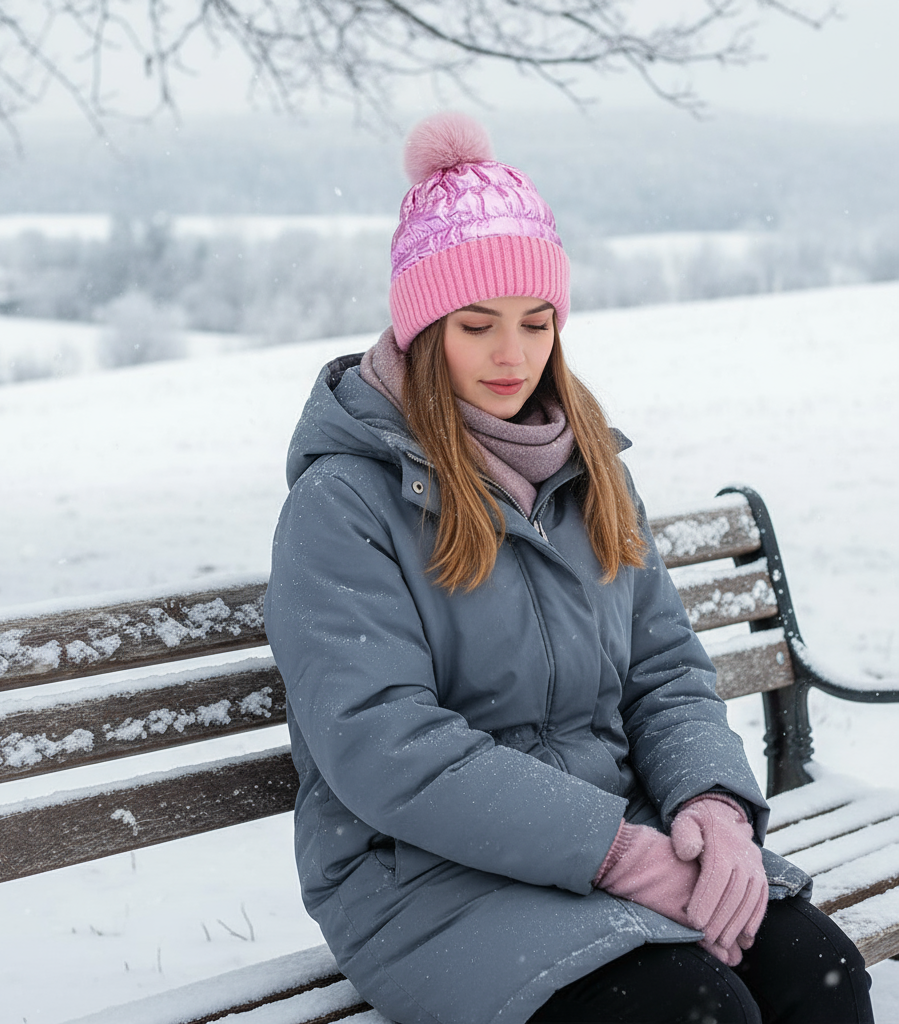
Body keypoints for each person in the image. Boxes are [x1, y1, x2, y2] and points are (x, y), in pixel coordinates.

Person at [263, 112, 873, 1024]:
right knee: (685, 1011)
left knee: (815, 970)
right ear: (424, 329)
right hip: (420, 876)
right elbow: (384, 743)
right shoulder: (345, 504)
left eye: (536, 322)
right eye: (478, 325)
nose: (513, 355)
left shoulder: (592, 472)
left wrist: (713, 807)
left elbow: (664, 672)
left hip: (619, 832)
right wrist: (617, 852)